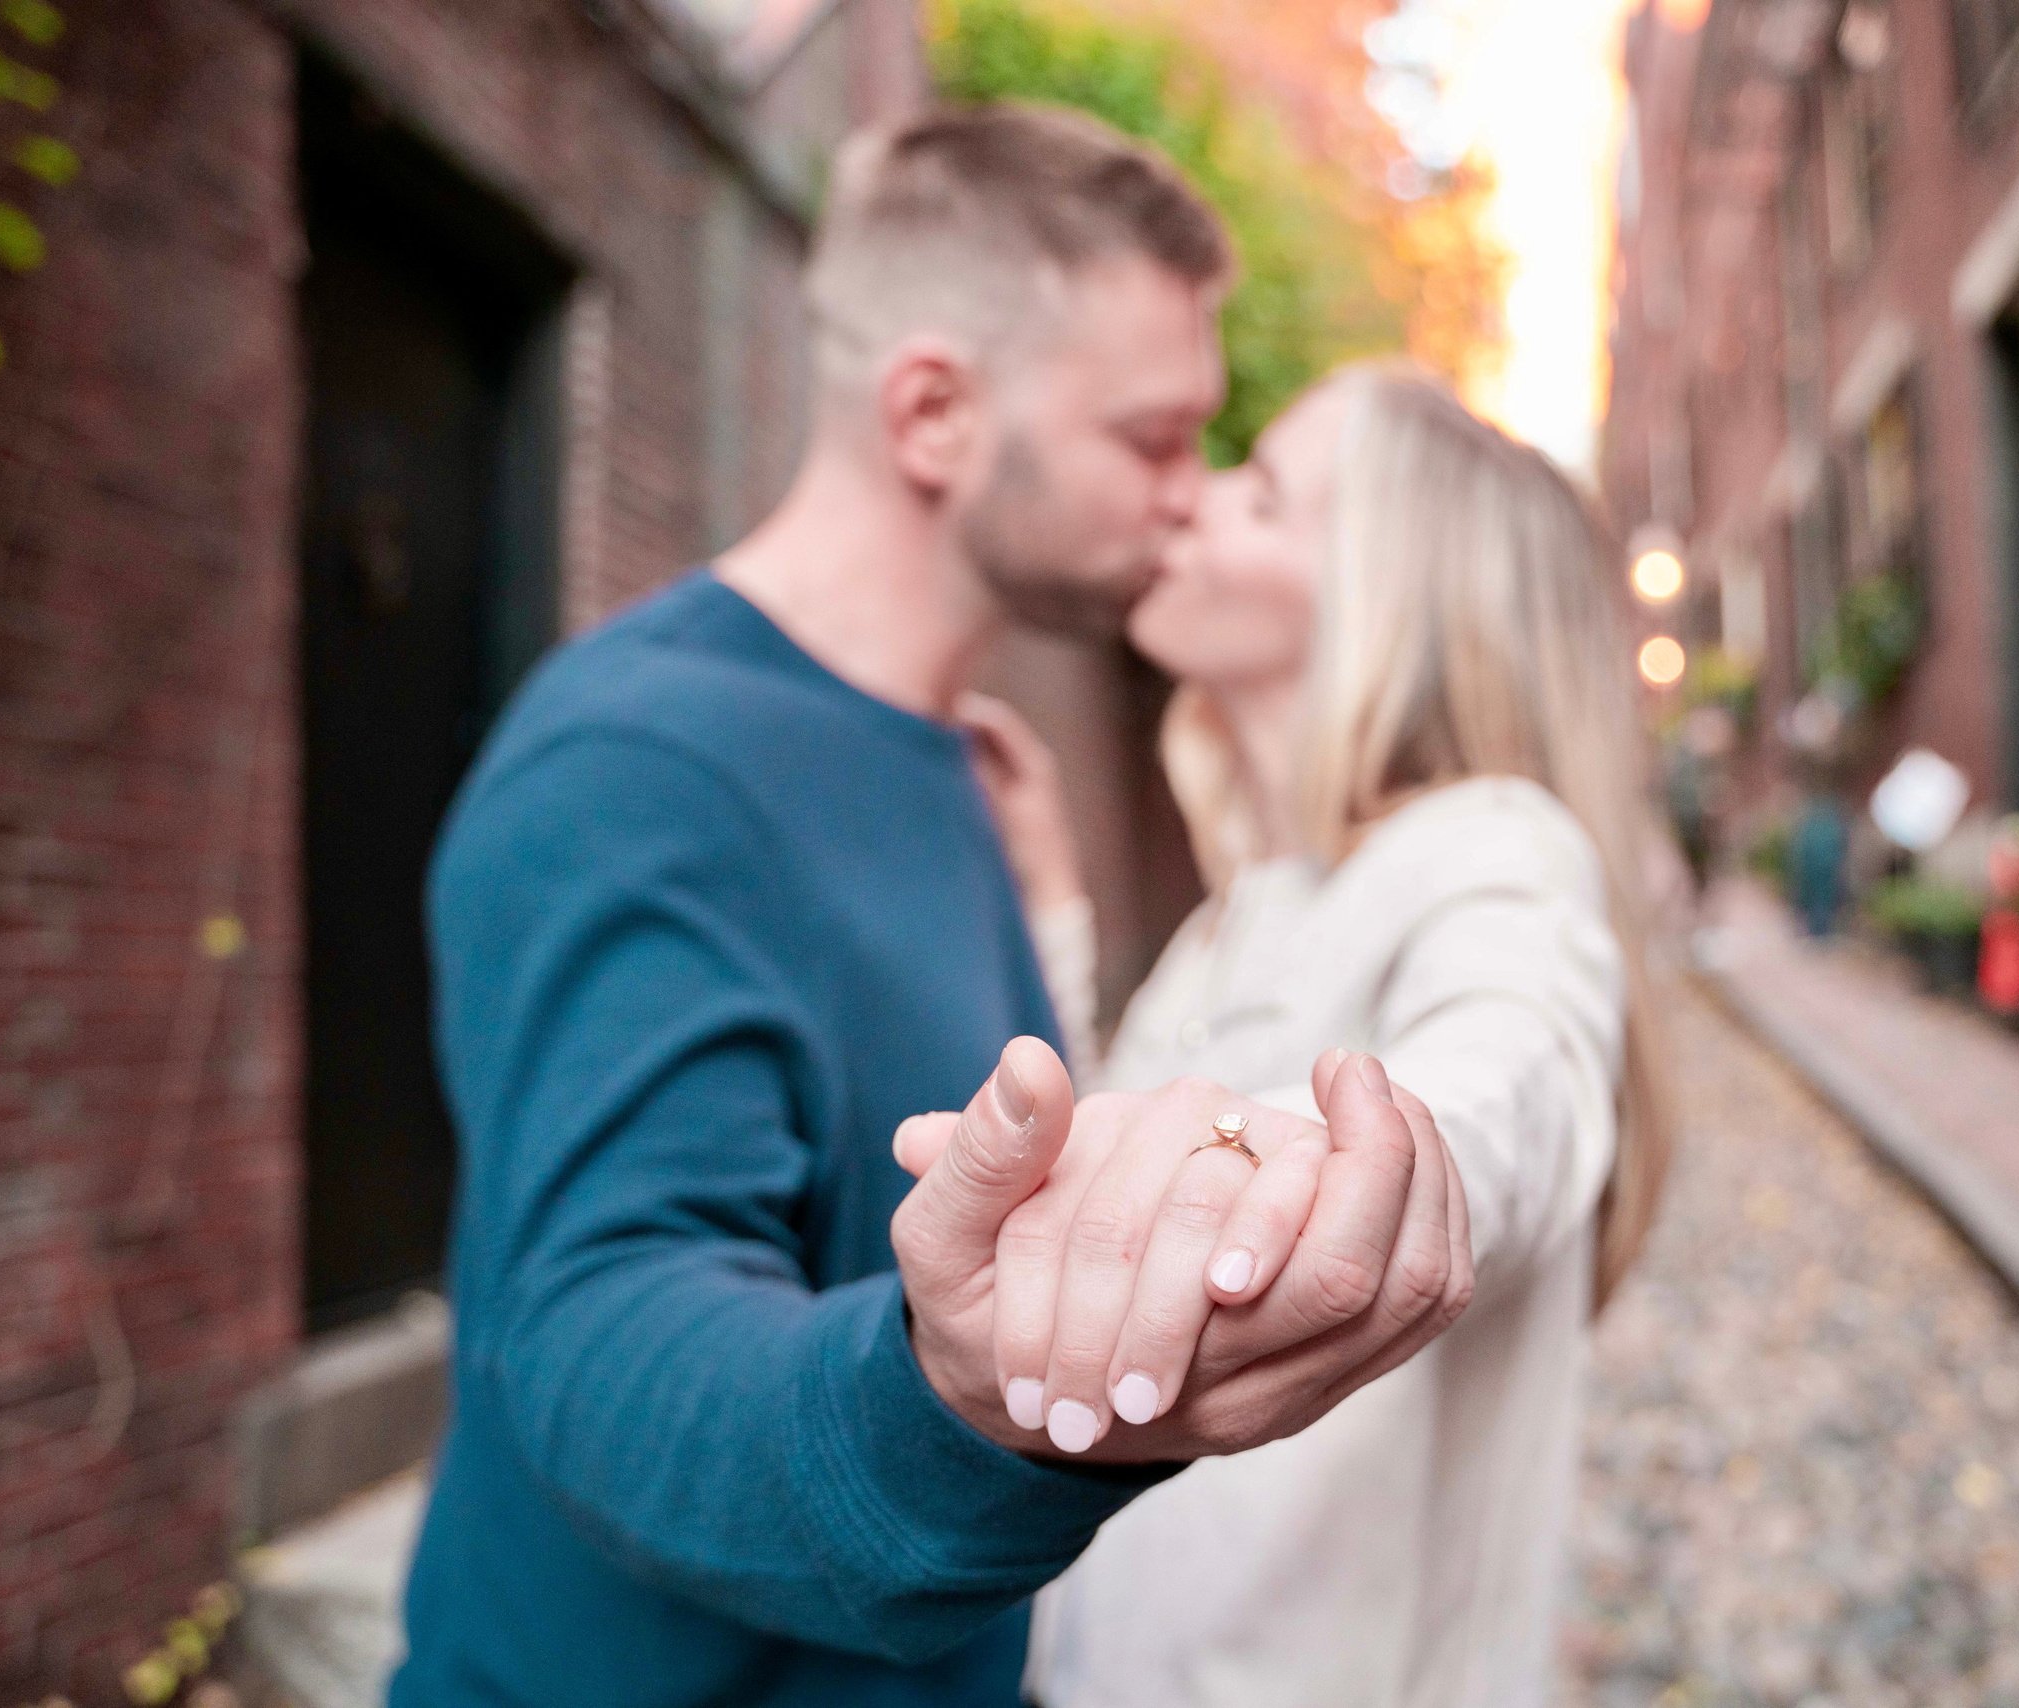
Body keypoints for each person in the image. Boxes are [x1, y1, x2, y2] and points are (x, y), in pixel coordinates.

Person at [391, 109, 1472, 1708]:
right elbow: (600, 1332)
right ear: (934, 414)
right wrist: (955, 1404)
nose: (1192, 495)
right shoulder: (635, 765)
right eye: (1152, 439)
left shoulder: (960, 773)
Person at [960, 366, 1675, 1705]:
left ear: (1385, 598)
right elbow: (1118, 1137)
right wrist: (1055, 906)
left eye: (1261, 493)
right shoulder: (1250, 904)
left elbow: (1506, 1083)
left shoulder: (1499, 851)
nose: (1193, 500)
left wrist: (1359, 1169)